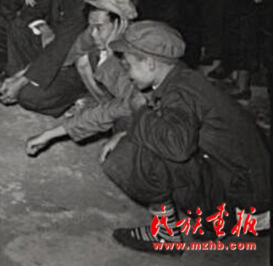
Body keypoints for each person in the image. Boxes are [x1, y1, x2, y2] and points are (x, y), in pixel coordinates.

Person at [99, 21, 270, 253]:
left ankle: (167, 234)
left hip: (248, 204)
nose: (127, 74)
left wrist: (140, 112)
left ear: (150, 63)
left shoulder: (180, 92)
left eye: (128, 65)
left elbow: (177, 147)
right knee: (137, 129)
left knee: (129, 152)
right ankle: (212, 220)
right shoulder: (184, 78)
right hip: (249, 191)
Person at [26, 0, 140, 156]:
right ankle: (90, 101)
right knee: (31, 94)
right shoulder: (93, 33)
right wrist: (24, 76)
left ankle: (101, 115)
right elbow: (65, 57)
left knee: (120, 149)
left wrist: (110, 54)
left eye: (99, 27)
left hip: (132, 111)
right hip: (110, 98)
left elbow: (126, 105)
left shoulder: (135, 57)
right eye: (90, 26)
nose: (93, 33)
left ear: (120, 25)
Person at [0, 0, 94, 116]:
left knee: (28, 97)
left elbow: (60, 48)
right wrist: (44, 27)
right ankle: (19, 76)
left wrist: (22, 80)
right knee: (18, 25)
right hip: (52, 52)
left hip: (72, 64)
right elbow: (28, 13)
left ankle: (81, 95)